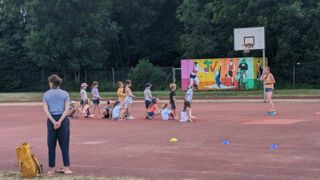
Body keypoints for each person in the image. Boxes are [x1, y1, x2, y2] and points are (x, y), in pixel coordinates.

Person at [42, 74, 72, 175]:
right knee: (64, 144)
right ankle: (66, 168)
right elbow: (67, 109)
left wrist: (54, 121)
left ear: (51, 83)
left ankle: (51, 169)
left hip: (51, 120)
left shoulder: (46, 94)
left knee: (51, 145)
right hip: (63, 120)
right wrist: (59, 121)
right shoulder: (65, 94)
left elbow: (46, 110)